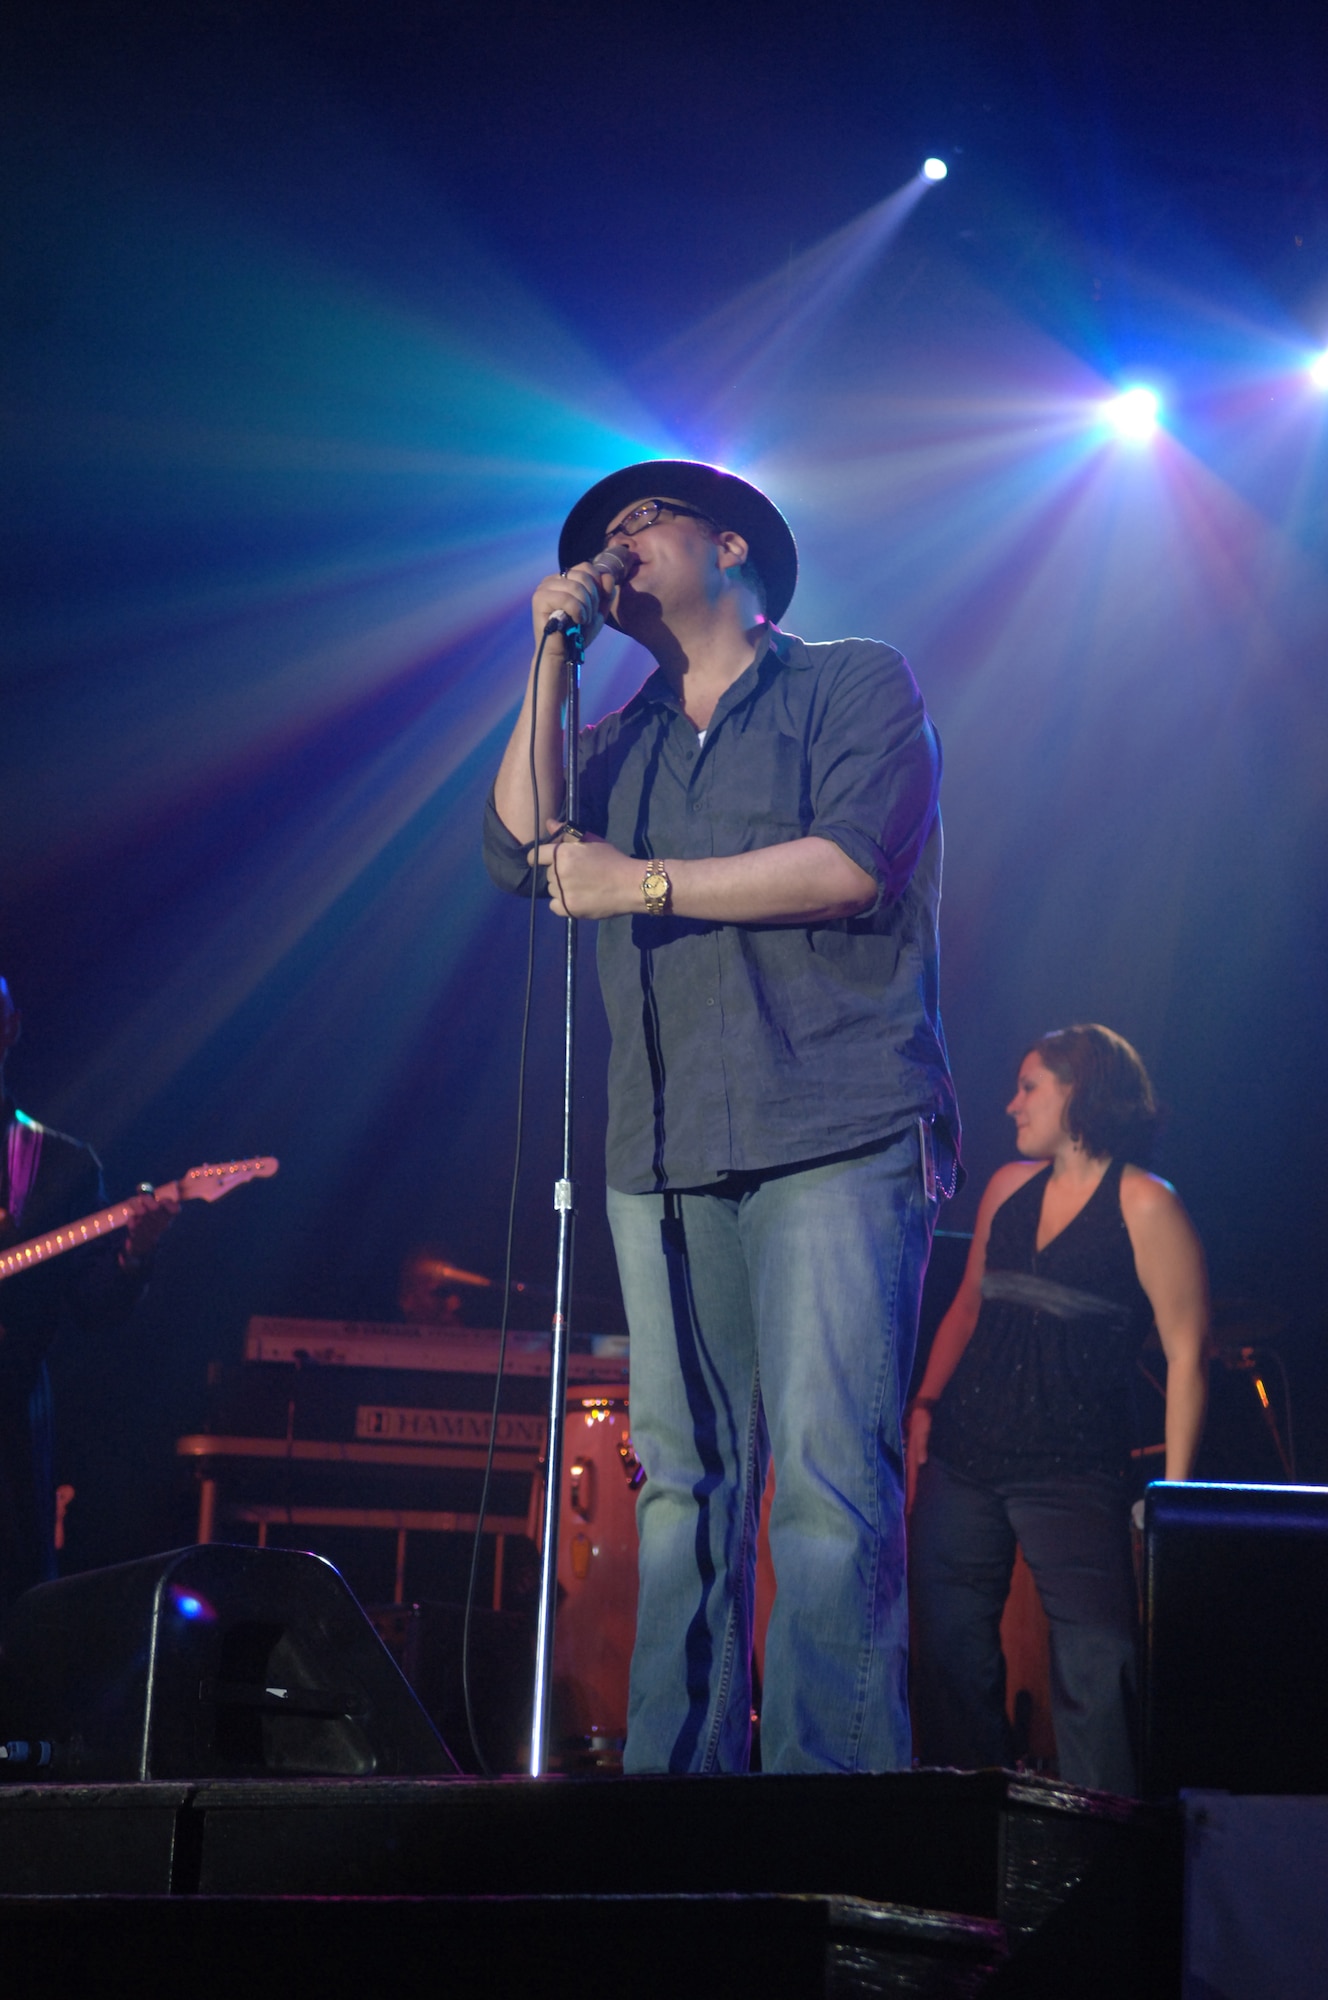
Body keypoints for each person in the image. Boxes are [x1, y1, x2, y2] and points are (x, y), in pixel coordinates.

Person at [484, 459, 960, 1774]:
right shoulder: (619, 737)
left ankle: (833, 1828)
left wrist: (641, 883)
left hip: (839, 1125)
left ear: (733, 546)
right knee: (684, 1494)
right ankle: (672, 1811)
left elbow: (850, 863)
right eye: (599, 538)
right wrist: (547, 655)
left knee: (826, 1487)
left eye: (640, 522)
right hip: (664, 1148)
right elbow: (520, 839)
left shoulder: (853, 680)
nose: (614, 546)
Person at [906, 1023, 1209, 1795]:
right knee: (947, 1649)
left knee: (1098, 1662)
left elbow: (1185, 1356)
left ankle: (1100, 1858)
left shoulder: (1144, 1204)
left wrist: (1173, 1499)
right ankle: (969, 1831)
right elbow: (968, 1308)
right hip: (967, 1455)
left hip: (1072, 1470)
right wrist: (927, 1403)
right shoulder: (1008, 1187)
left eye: (1030, 1086)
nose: (1012, 1104)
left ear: (1078, 1091)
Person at [0, 976, 174, 1615]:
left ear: (10, 1029)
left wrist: (135, 1252)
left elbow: (95, 1306)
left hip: (9, 1420)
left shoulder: (59, 1165)